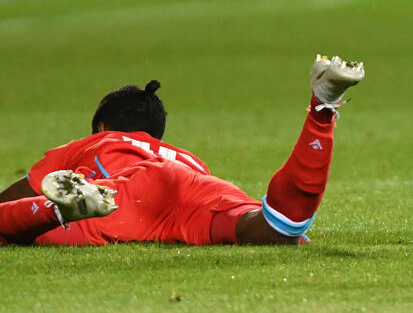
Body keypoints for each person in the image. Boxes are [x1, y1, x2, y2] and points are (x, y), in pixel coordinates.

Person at [0, 54, 364, 246]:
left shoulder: (99, 142)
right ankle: (321, 110)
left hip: (125, 193)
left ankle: (59, 208)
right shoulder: (186, 159)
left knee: (18, 226)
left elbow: (10, 199)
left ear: (100, 127)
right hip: (191, 186)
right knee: (271, 228)